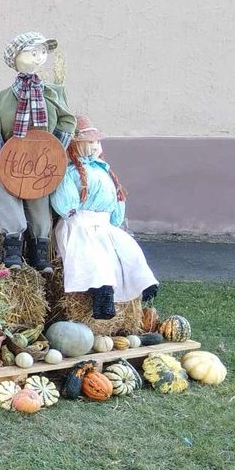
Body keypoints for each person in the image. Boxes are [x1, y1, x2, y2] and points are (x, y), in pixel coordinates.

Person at [0, 31, 77, 271]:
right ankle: (12, 246)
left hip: (41, 161)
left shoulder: (50, 95)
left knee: (39, 200)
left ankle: (38, 250)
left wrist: (55, 150)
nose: (39, 57)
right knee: (6, 194)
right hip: (10, 158)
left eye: (42, 52)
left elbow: (67, 120)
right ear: (15, 58)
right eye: (32, 52)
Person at [50, 116, 159, 319]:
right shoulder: (69, 171)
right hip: (80, 223)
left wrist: (116, 213)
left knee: (128, 249)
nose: (94, 146)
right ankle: (103, 295)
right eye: (89, 142)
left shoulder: (102, 168)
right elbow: (65, 201)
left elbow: (115, 194)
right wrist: (71, 209)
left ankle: (144, 283)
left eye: (96, 142)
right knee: (94, 257)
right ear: (76, 144)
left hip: (103, 224)